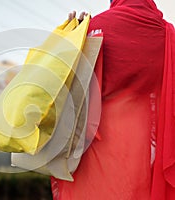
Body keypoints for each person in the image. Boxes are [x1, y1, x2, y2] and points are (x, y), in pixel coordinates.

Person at [51, 0, 175, 199]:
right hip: (141, 157)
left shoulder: (91, 29)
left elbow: (61, 91)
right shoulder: (166, 35)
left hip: (90, 152)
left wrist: (72, 39)